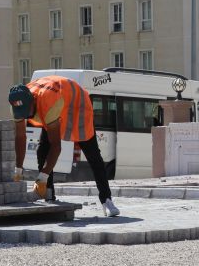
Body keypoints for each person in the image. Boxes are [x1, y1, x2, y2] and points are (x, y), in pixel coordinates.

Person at [8, 76, 120, 217]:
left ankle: (107, 200)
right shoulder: (16, 103)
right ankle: (48, 195)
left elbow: (56, 146)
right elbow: (20, 137)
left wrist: (42, 176)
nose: (26, 116)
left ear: (33, 101)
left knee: (93, 155)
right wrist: (18, 170)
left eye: (27, 112)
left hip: (78, 105)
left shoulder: (47, 102)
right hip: (57, 101)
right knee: (42, 150)